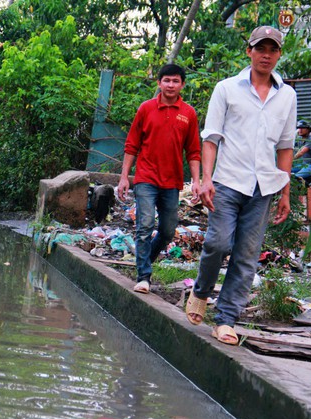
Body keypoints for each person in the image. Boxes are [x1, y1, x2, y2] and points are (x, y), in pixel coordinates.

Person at [185, 26, 297, 345]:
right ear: (249, 51)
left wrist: (285, 191)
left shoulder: (287, 96)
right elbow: (211, 138)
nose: (266, 54)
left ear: (278, 54)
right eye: (260, 48)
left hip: (263, 188)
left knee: (247, 256)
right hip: (226, 182)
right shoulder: (226, 89)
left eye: (272, 49)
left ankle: (225, 319)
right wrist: (206, 180)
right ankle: (202, 291)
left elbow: (286, 147)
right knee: (218, 244)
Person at [117, 64, 201, 294]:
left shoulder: (188, 113)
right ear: (159, 83)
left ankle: (145, 261)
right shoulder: (146, 109)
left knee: (167, 230)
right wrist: (125, 177)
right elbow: (132, 145)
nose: (170, 85)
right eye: (166, 81)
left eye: (175, 81)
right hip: (145, 178)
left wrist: (196, 181)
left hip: (172, 182)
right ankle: (144, 276)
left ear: (182, 84)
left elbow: (193, 151)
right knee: (144, 226)